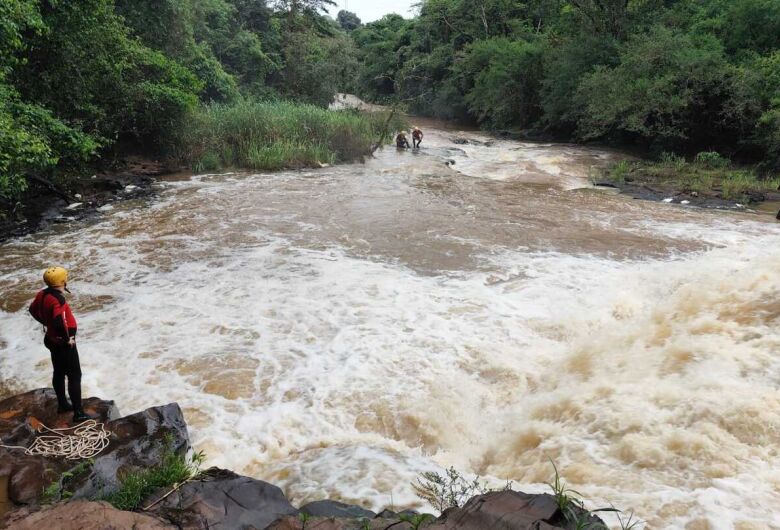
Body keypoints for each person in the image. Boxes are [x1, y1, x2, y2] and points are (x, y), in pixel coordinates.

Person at [29, 267, 93, 423]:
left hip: (51, 339)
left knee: (58, 371)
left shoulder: (42, 293)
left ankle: (63, 404)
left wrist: (45, 322)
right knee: (74, 376)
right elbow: (59, 322)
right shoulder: (59, 299)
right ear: (63, 281)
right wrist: (67, 339)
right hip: (62, 343)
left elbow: (32, 309)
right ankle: (78, 413)